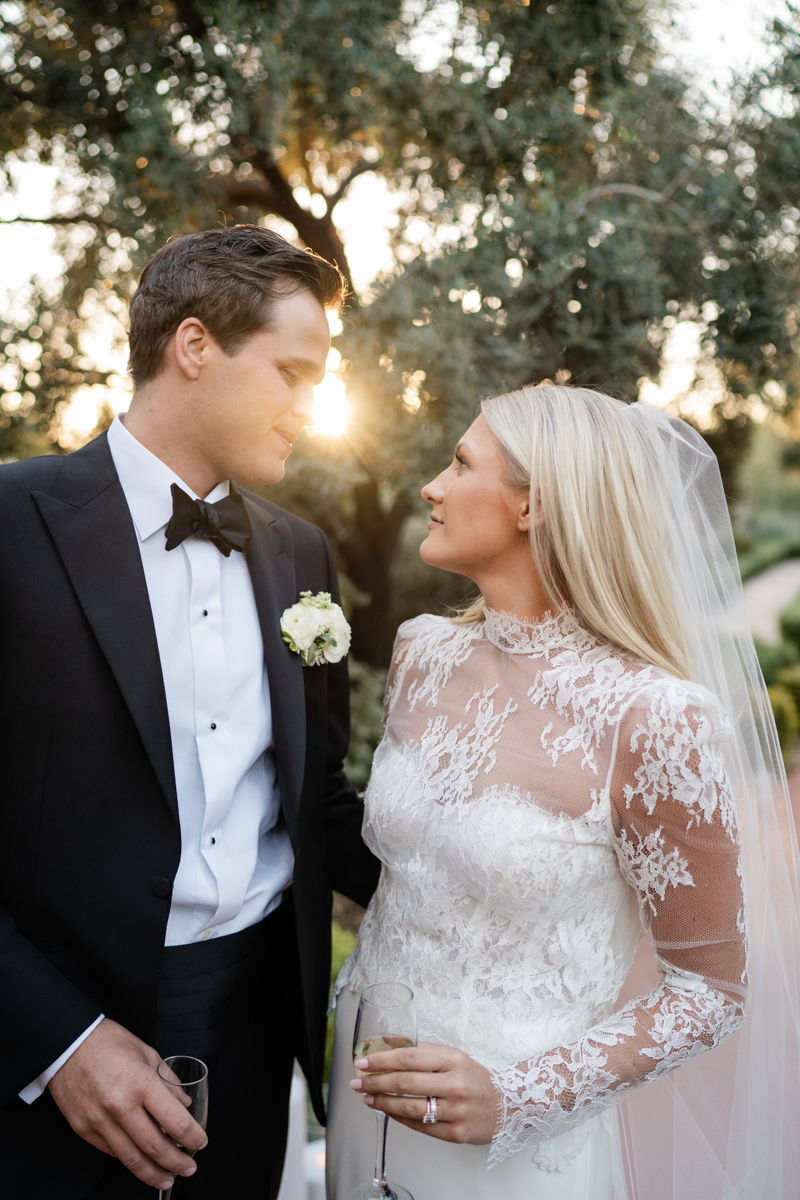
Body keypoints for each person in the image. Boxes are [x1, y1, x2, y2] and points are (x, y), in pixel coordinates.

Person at [326, 386, 800, 1200]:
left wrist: (520, 1097)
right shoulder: (421, 654)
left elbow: (710, 991)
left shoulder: (655, 718)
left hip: (509, 1133)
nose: (432, 486)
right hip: (366, 1075)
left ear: (533, 505)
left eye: (461, 463)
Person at [0, 225, 380, 1199]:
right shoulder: (10, 524)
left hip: (257, 1033)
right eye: (292, 371)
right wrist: (61, 1041)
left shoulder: (303, 555)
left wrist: (496, 895)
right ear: (196, 345)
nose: (312, 404)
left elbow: (316, 799)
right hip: (50, 1052)